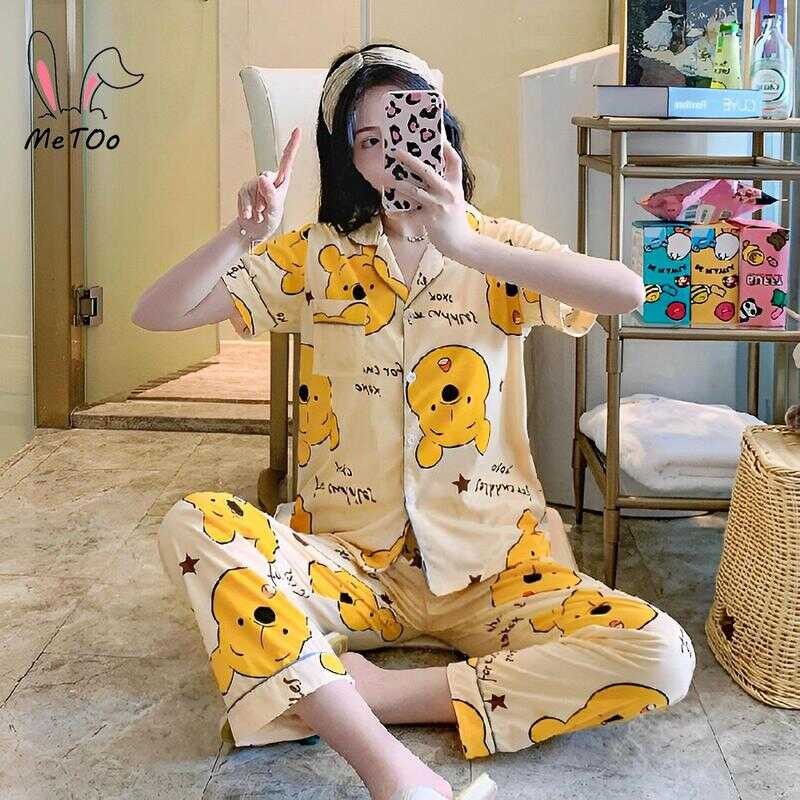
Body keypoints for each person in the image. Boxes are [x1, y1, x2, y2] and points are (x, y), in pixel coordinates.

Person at [132, 43, 695, 800]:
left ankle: (364, 694)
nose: (392, 154)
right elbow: (157, 313)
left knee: (662, 654)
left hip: (496, 568)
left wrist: (465, 243)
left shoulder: (497, 248)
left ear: (443, 133)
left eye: (409, 130)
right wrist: (242, 234)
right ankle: (392, 772)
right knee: (193, 525)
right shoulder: (314, 257)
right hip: (351, 566)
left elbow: (625, 291)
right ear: (348, 158)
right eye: (369, 140)